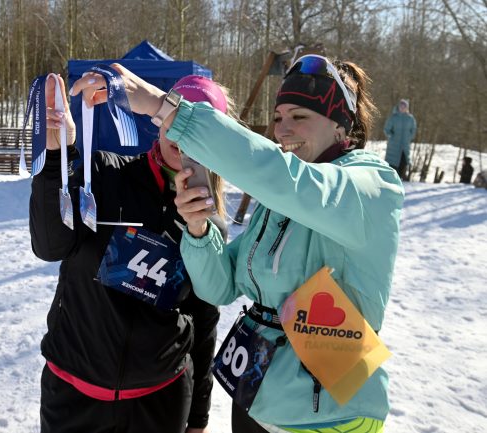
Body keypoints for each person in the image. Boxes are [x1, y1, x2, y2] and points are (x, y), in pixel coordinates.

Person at [72, 55, 404, 433]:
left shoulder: (371, 187)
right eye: (278, 119)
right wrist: (197, 229)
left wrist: (164, 108)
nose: (283, 131)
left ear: (341, 127)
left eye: (300, 117)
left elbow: (288, 180)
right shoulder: (278, 202)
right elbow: (220, 286)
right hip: (256, 399)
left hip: (329, 414)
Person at [30, 73, 236, 433]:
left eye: (197, 125)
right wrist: (56, 159)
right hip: (74, 396)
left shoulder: (207, 226)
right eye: (176, 120)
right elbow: (50, 246)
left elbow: (204, 323)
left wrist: (199, 417)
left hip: (159, 402)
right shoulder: (104, 175)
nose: (182, 135)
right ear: (159, 121)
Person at [383, 98, 417, 180]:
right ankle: (391, 184)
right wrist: (391, 136)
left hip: (405, 147)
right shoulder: (393, 117)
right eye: (401, 106)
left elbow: (414, 129)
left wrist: (409, 137)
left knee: (403, 164)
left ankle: (399, 184)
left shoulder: (410, 118)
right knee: (392, 167)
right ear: (399, 106)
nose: (402, 107)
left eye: (404, 106)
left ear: (407, 107)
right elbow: (386, 129)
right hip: (393, 147)